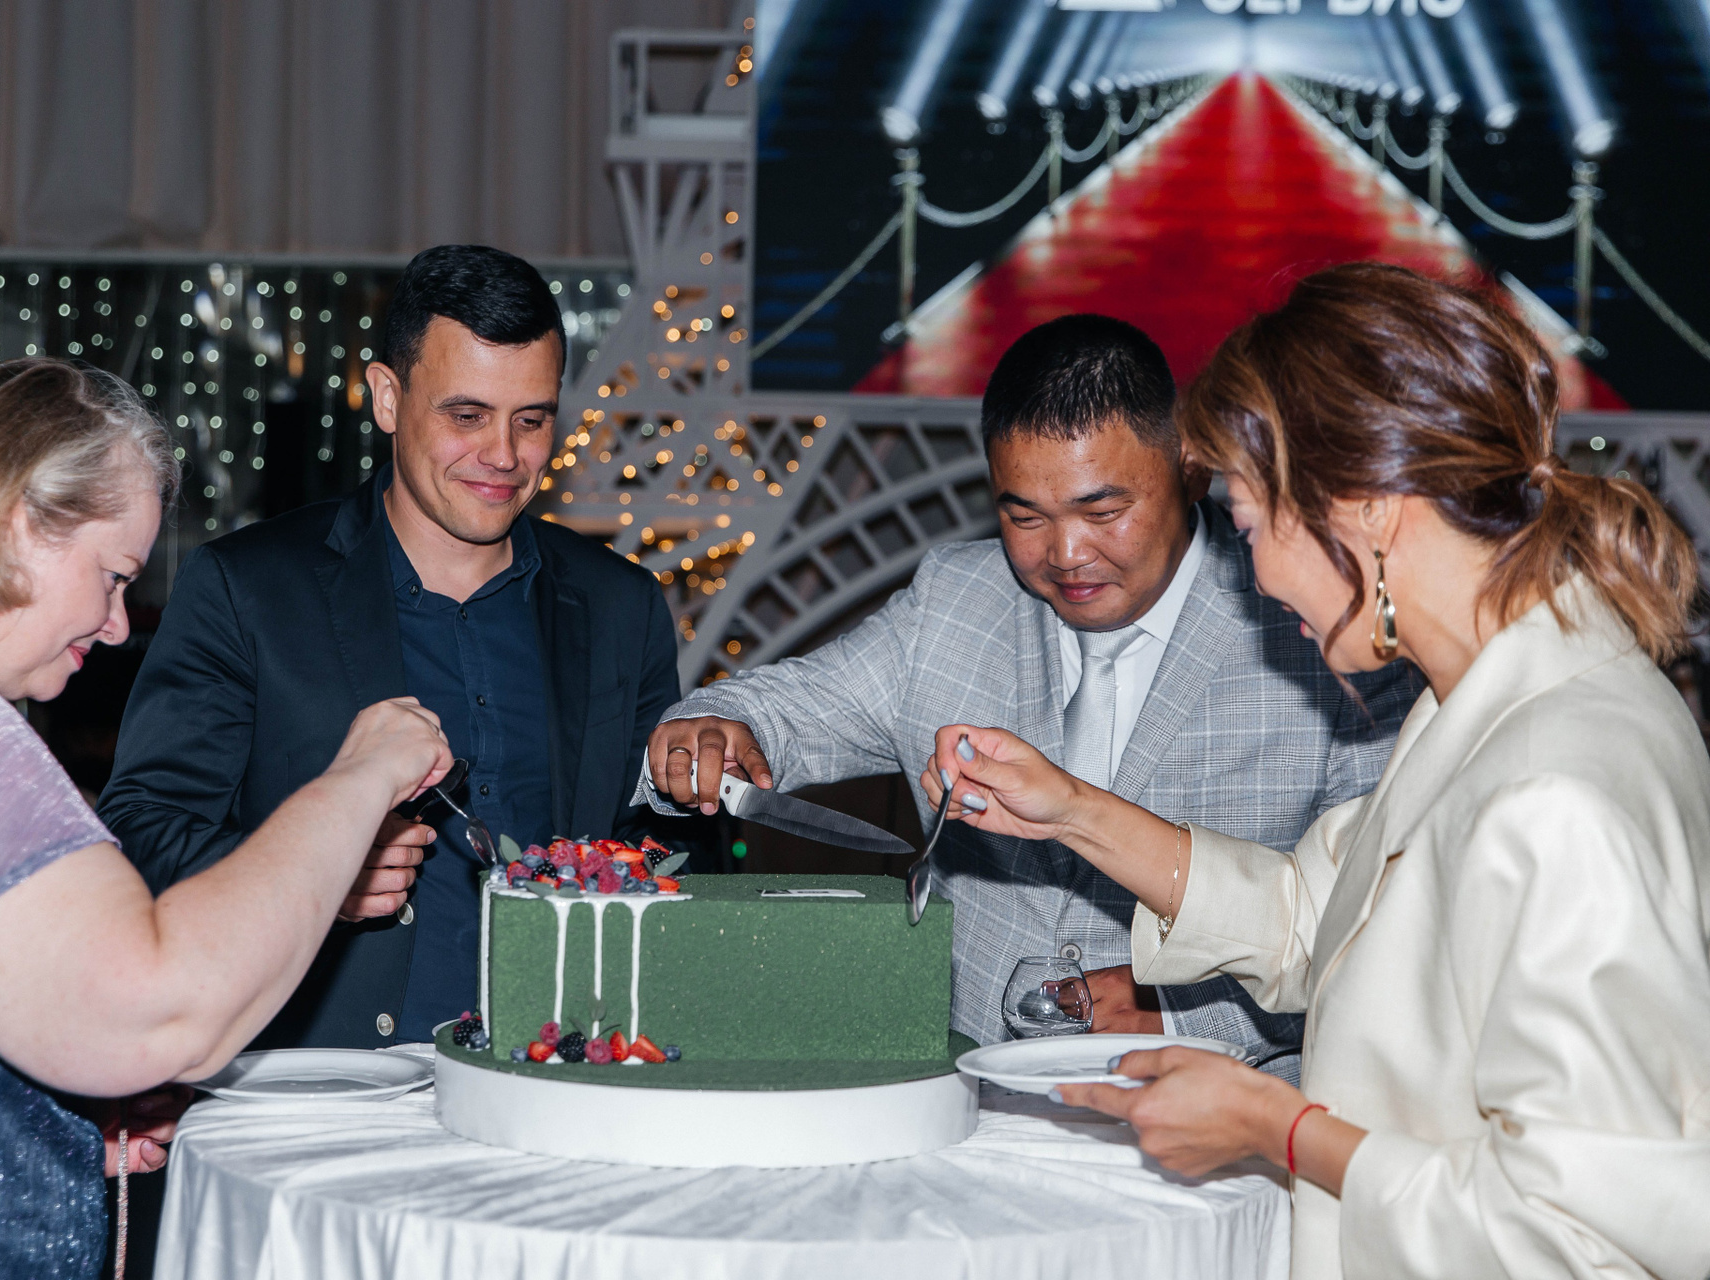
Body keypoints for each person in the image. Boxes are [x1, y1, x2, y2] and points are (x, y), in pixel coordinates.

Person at [926, 264, 1710, 1279]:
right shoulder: (1491, 697)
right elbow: (1315, 918)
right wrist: (1070, 810)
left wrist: (1280, 1128)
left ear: (1367, 511)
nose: (1253, 574)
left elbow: (1583, 1229)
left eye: (1250, 524)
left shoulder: (1553, 792)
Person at [0, 359, 452, 1277]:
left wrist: (29, 1111)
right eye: (111, 576)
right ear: (19, 521)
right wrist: (361, 776)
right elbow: (166, 1009)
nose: (113, 625)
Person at [643, 314, 1420, 1062]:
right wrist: (716, 726)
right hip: (975, 1100)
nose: (1067, 553)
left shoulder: (1314, 624)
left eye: (1103, 510)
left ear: (1189, 464)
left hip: (1215, 1108)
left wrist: (1177, 1013)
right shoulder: (954, 598)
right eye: (1025, 517)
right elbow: (786, 708)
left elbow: (1380, 930)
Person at [99, 245, 682, 1049]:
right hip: (325, 1086)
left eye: (532, 419)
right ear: (386, 397)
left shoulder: (621, 605)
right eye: (466, 416)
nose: (504, 455)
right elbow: (142, 832)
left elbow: (665, 854)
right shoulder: (249, 588)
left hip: (559, 1078)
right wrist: (311, 873)